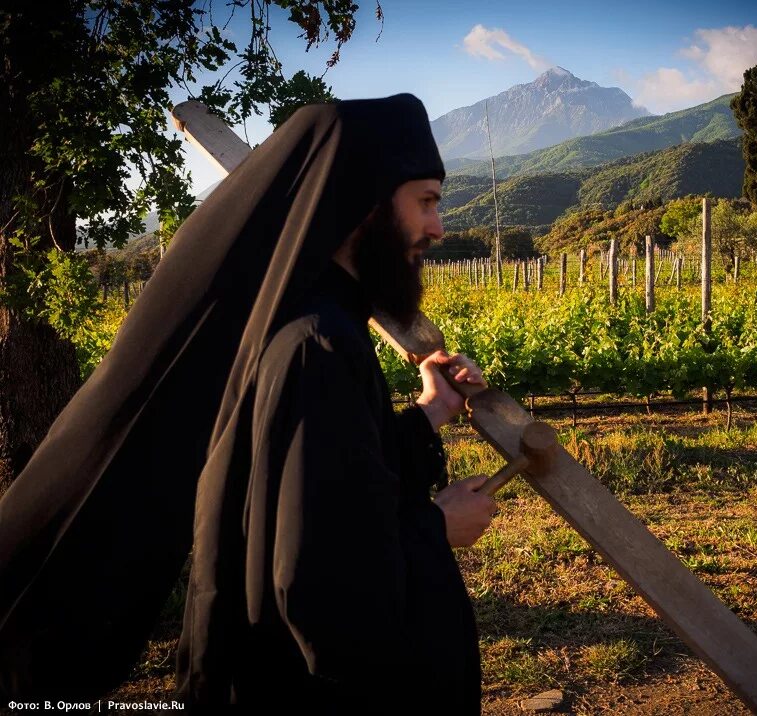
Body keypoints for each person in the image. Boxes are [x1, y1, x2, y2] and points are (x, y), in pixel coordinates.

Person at [0, 95, 494, 713]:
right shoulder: (317, 344)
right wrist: (436, 526)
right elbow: (318, 586)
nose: (438, 228)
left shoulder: (311, 324)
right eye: (425, 201)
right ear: (364, 206)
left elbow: (321, 483)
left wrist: (431, 412)